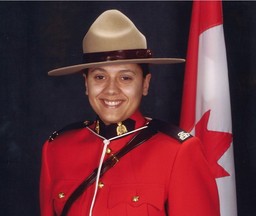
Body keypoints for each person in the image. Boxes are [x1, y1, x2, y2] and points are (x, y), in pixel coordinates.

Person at [40, 9, 220, 216]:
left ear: (145, 84)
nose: (111, 90)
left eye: (125, 78)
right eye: (99, 77)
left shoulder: (178, 153)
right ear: (86, 84)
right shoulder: (57, 150)